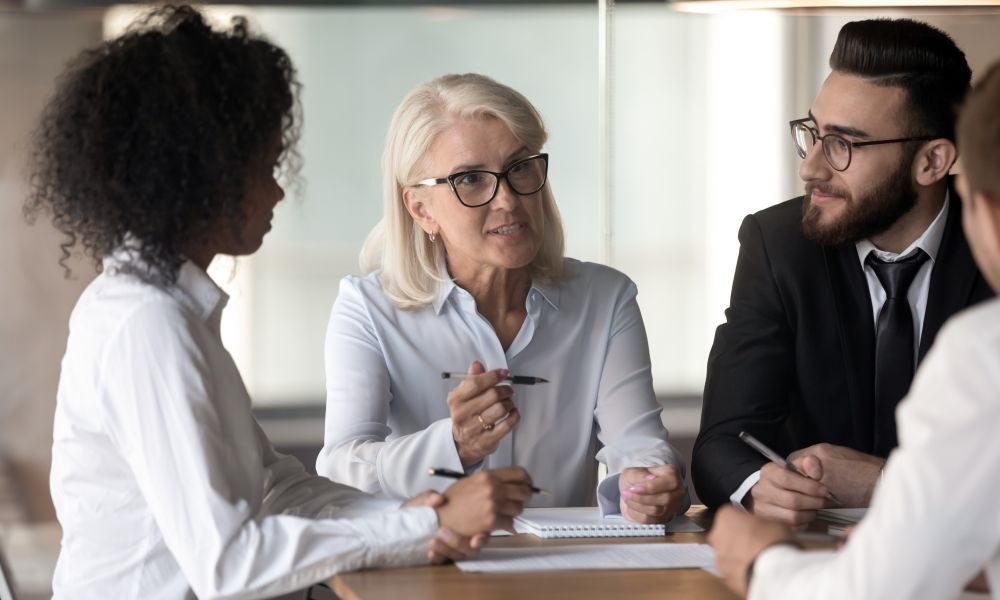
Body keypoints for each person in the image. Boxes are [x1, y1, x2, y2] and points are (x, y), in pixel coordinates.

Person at [27, 7, 533, 598]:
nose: (276, 189)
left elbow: (274, 486)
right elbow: (228, 565)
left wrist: (418, 514)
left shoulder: (175, 311)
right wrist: (429, 524)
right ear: (199, 176)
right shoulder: (148, 324)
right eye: (263, 167)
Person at [316, 73, 688, 524]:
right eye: (470, 179)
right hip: (428, 566)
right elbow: (342, 469)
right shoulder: (369, 309)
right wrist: (453, 445)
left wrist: (647, 486)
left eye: (519, 167)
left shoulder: (606, 299)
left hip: (560, 573)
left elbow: (639, 444)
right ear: (420, 209)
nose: (508, 200)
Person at [707, 56, 1000, 600]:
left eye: (844, 143)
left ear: (933, 160)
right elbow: (722, 440)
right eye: (813, 134)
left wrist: (761, 562)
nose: (811, 167)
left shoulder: (983, 341)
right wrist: (760, 487)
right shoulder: (776, 244)